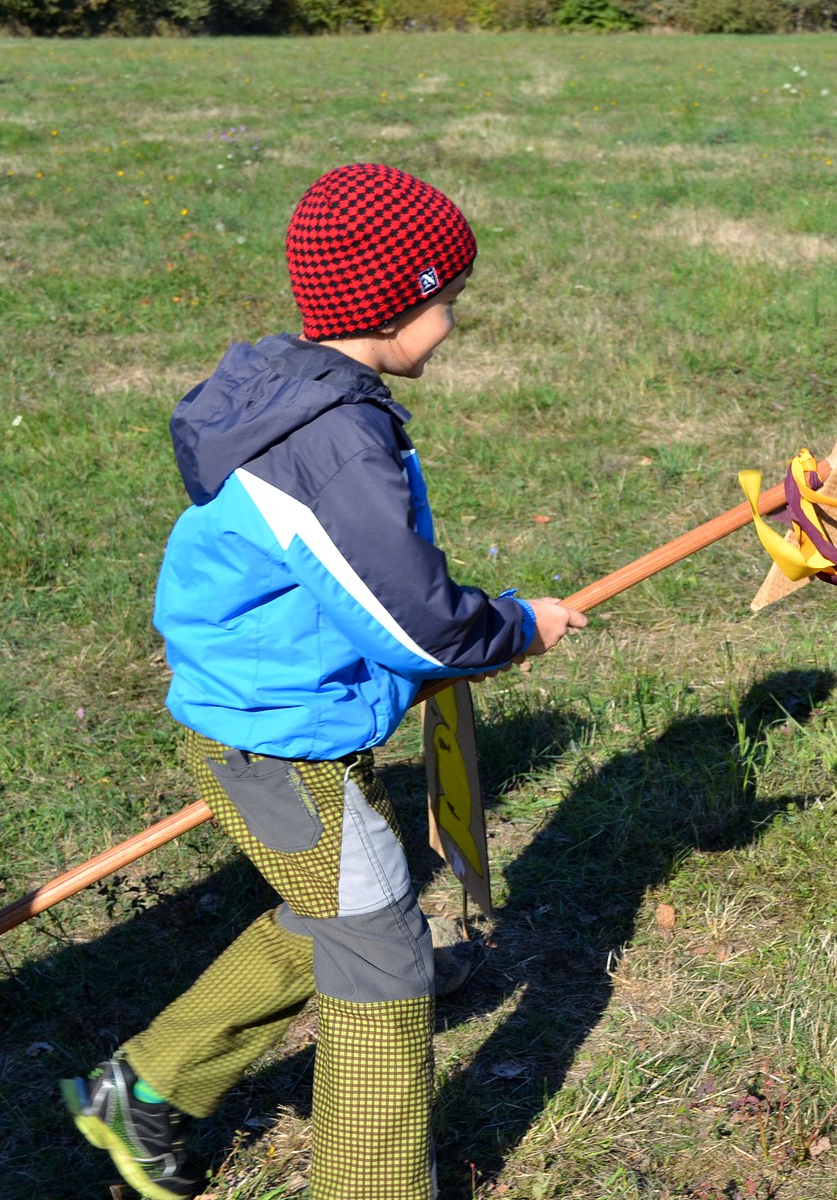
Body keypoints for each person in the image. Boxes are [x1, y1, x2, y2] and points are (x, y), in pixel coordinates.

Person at [59, 163, 588, 1200]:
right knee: (384, 952)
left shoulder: (305, 394)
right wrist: (519, 626)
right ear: (396, 302)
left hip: (282, 719)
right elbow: (412, 619)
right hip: (276, 741)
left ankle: (143, 1092)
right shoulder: (329, 443)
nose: (453, 322)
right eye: (448, 300)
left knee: (337, 916)